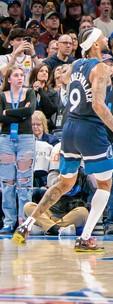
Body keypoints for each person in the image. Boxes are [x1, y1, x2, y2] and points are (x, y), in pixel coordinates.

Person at [13, 28, 113, 251]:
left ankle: (26, 225)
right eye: (102, 37)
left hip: (69, 128)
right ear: (95, 44)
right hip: (90, 129)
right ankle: (85, 238)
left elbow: (64, 77)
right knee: (105, 184)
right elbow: (98, 105)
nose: (106, 39)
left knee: (65, 182)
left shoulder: (76, 65)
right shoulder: (101, 68)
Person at [0, 64, 37, 233]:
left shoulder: (29, 92)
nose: (20, 78)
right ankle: (9, 220)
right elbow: (0, 116)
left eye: (22, 75)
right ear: (8, 79)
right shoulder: (2, 95)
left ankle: (24, 221)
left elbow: (30, 111)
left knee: (24, 182)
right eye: (15, 75)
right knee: (8, 182)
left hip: (25, 138)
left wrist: (9, 113)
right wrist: (19, 113)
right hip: (6, 138)